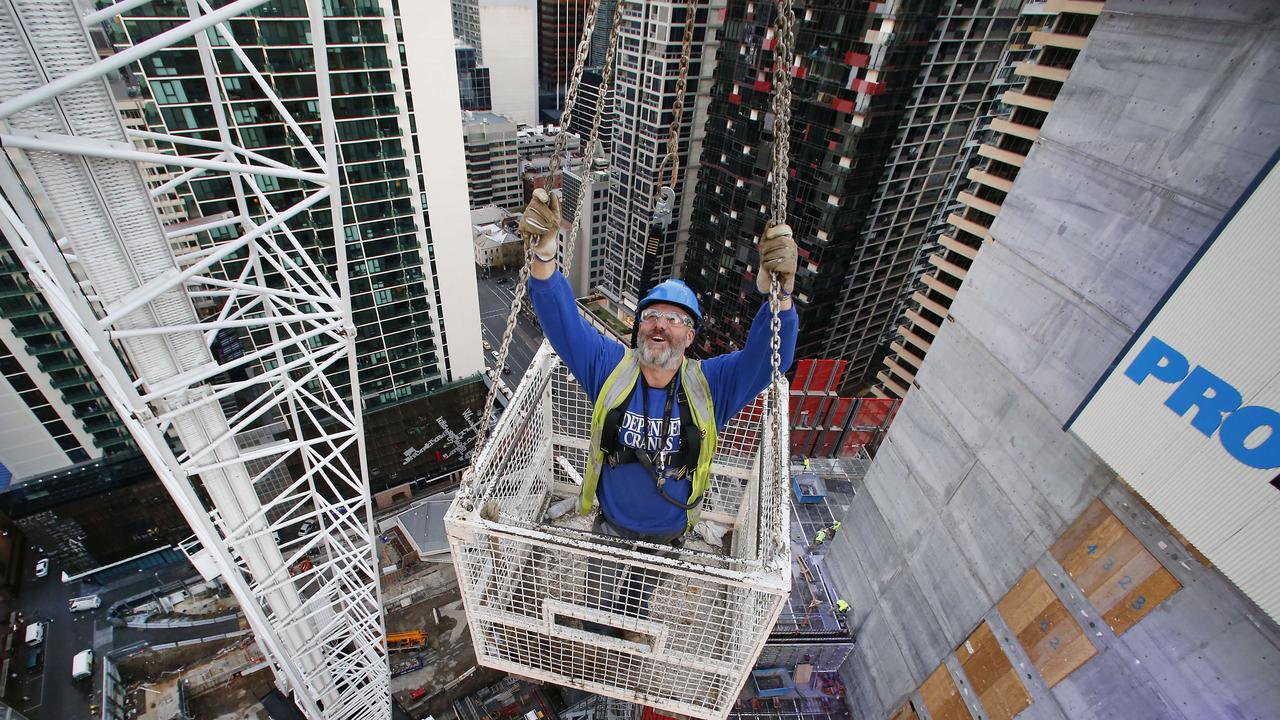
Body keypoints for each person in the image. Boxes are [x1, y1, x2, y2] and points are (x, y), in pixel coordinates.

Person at [520, 188, 799, 637]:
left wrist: (780, 299)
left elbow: (771, 358)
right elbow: (562, 324)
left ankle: (629, 622)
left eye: (674, 320)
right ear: (638, 330)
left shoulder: (711, 386)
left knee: (639, 597)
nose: (660, 325)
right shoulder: (609, 368)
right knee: (600, 599)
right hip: (611, 528)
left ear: (690, 338)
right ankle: (599, 633)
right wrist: (544, 259)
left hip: (669, 535)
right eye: (652, 316)